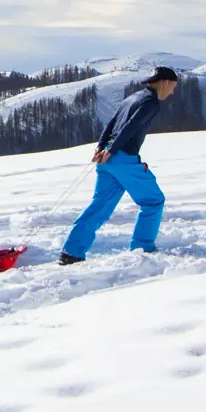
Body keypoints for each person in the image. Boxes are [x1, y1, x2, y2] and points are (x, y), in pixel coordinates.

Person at [58, 67, 178, 264]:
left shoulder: (133, 97)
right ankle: (143, 249)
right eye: (173, 86)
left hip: (107, 158)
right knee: (153, 201)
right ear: (165, 82)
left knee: (99, 206)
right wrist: (112, 150)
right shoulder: (151, 102)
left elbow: (111, 123)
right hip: (122, 157)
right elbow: (131, 125)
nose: (172, 91)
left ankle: (71, 252)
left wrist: (101, 147)